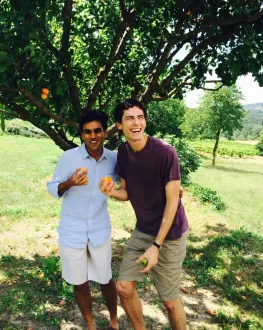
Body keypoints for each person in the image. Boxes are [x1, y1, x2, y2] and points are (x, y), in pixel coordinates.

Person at [100, 99, 189, 330]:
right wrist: (111, 192)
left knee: (169, 302)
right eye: (129, 118)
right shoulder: (123, 151)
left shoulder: (165, 153)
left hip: (169, 234)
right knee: (124, 288)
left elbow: (173, 202)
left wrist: (156, 246)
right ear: (119, 125)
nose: (136, 123)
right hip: (143, 229)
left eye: (140, 117)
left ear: (145, 121)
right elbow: (127, 193)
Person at [47, 110, 118, 330]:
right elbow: (52, 187)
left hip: (99, 229)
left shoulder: (115, 159)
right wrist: (70, 183)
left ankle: (114, 321)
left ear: (106, 132)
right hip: (72, 230)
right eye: (87, 132)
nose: (92, 136)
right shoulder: (69, 158)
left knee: (106, 278)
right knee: (79, 281)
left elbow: (131, 182)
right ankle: (90, 325)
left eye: (97, 130)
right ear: (81, 134)